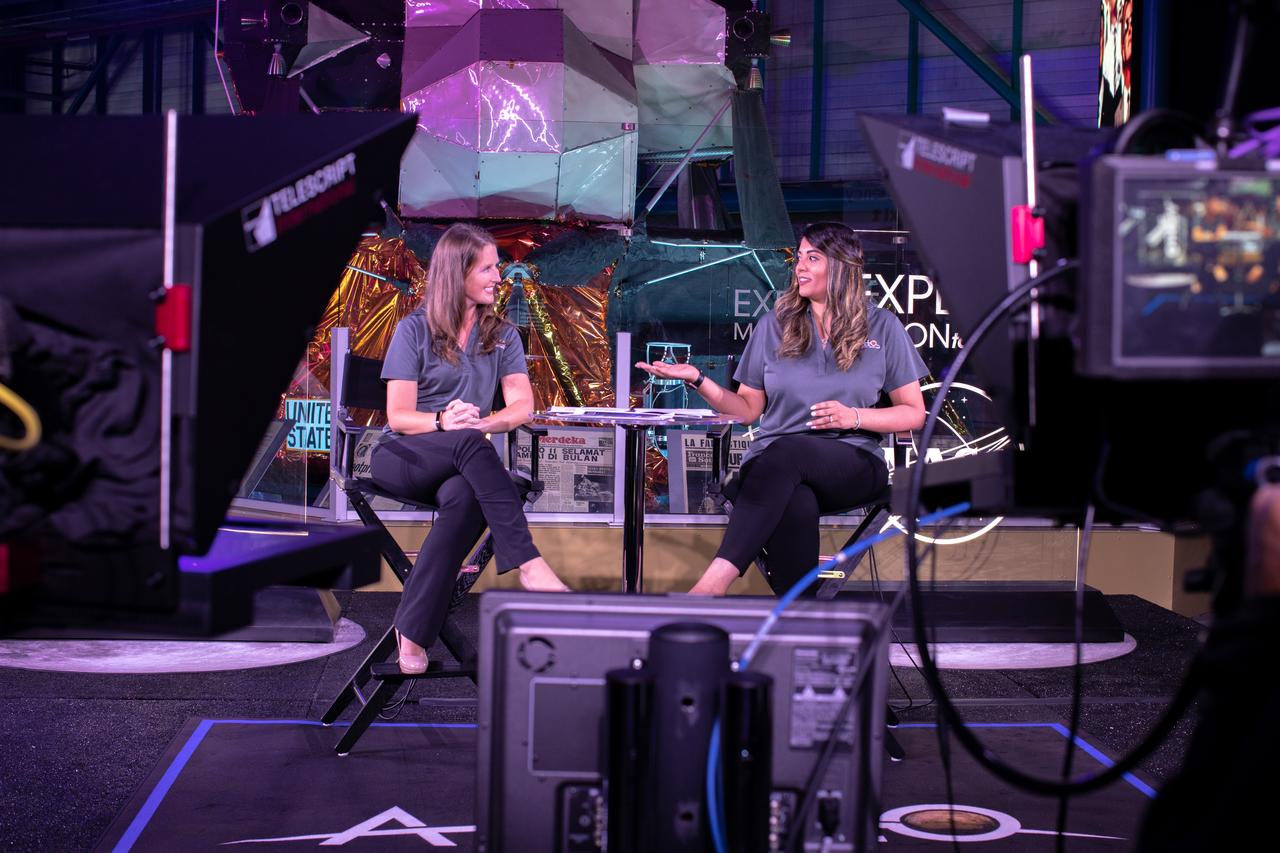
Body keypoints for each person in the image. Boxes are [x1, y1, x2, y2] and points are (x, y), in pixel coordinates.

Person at [637, 221, 928, 595]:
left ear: (842, 265)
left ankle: (712, 585)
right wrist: (697, 379)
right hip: (774, 470)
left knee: (788, 452)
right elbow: (747, 411)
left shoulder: (883, 327)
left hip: (851, 463)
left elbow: (913, 412)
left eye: (813, 258)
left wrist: (855, 416)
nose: (800, 267)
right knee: (795, 501)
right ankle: (799, 613)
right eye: (799, 257)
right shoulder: (774, 326)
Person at [371, 223, 568, 673]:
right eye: (488, 268)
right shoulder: (413, 330)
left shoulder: (502, 335)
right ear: (457, 273)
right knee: (472, 449)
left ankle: (412, 630)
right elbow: (398, 416)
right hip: (404, 455)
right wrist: (443, 421)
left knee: (466, 497)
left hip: (462, 464)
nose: (499, 276)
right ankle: (528, 562)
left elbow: (522, 406)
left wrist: (482, 422)